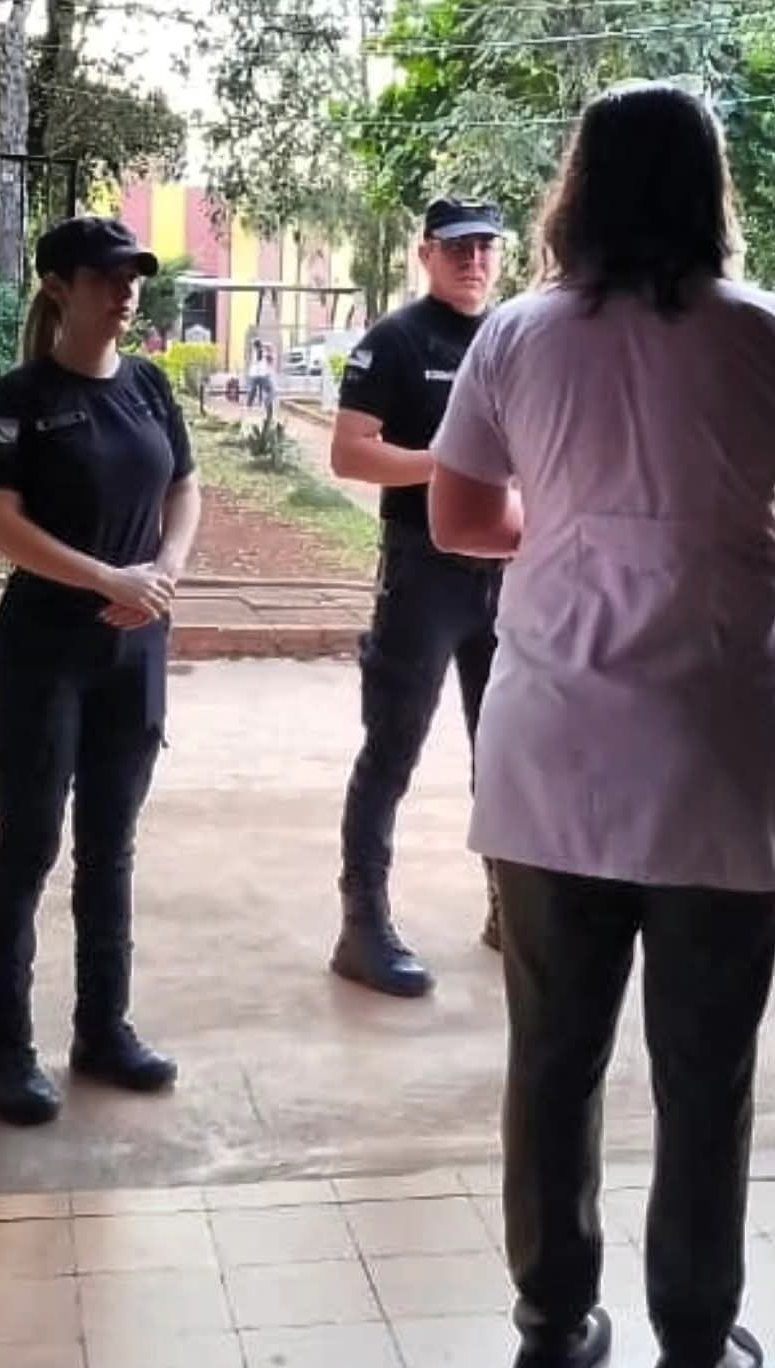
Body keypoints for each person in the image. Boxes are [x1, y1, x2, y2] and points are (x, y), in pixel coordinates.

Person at [429, 84, 775, 1368]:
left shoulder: (515, 336)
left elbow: (458, 519)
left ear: (577, 192)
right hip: (719, 757)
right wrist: (726, 531)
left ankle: (551, 1327)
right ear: (708, 190)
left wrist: (576, 528)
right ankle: (695, 1345)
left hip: (553, 754)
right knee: (705, 1067)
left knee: (552, 1058)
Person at [0, 216, 202, 1127]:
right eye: (106, 277)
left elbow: (184, 485)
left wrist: (163, 573)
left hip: (134, 648)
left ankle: (103, 1031)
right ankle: (6, 1054)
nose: (125, 291)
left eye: (132, 276)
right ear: (61, 286)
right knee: (29, 844)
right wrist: (109, 577)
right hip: (45, 651)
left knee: (112, 845)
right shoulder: (21, 394)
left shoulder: (148, 386)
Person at [326, 197, 508, 998]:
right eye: (458, 248)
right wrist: (448, 462)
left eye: (486, 248)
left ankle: (511, 907)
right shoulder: (396, 340)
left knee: (506, 751)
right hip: (423, 572)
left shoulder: (510, 338)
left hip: (505, 572)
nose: (474, 262)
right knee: (393, 748)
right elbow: (350, 453)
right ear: (427, 253)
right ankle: (362, 925)